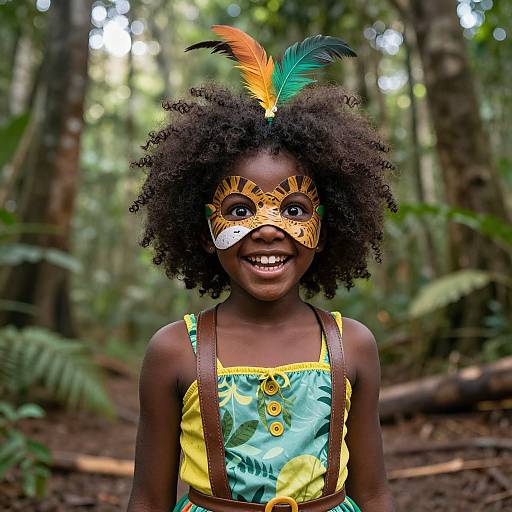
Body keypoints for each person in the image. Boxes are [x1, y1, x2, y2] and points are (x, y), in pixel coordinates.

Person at [127, 26, 397, 512]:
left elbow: (373, 492)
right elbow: (148, 499)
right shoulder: (173, 352)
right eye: (239, 210)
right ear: (204, 228)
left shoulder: (352, 345)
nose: (269, 230)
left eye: (294, 209)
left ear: (327, 222)